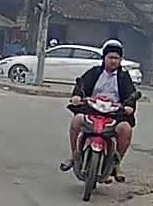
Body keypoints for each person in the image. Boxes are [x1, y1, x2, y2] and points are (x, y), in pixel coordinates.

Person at [59, 39, 139, 182]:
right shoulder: (94, 72)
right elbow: (81, 86)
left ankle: (116, 164)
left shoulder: (124, 77)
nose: (113, 61)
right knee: (76, 120)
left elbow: (130, 95)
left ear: (120, 60)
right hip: (92, 110)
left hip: (115, 114)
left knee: (126, 129)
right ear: (104, 58)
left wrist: (129, 106)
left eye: (116, 58)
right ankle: (74, 155)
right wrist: (77, 96)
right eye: (110, 57)